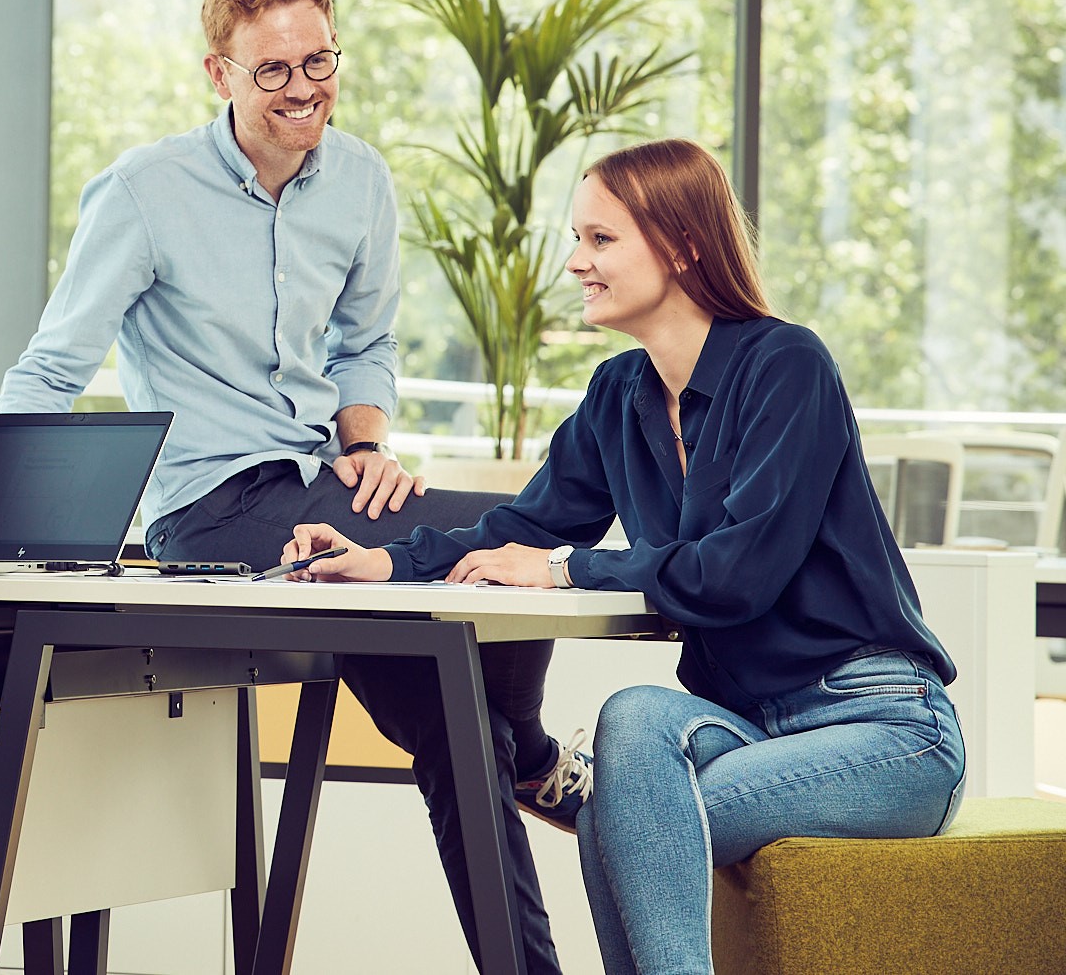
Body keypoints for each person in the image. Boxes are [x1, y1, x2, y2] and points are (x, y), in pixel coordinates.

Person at [0, 0, 583, 974]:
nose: (302, 88)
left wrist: (366, 448)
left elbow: (364, 344)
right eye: (272, 70)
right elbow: (51, 368)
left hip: (323, 495)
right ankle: (537, 754)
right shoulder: (143, 191)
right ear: (219, 73)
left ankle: (520, 844)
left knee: (459, 725)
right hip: (211, 512)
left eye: (318, 62)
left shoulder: (358, 179)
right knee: (507, 544)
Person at [281, 137, 966, 975]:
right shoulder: (618, 394)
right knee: (634, 714)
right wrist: (384, 561)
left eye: (600, 239)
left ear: (682, 246)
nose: (577, 261)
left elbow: (735, 575)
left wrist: (565, 568)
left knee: (620, 817)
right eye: (579, 238)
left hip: (885, 727)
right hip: (746, 724)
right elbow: (523, 525)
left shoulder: (787, 366)